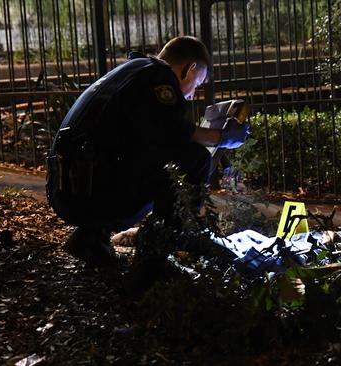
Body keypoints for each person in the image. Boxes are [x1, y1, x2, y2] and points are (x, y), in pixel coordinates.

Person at [46, 36, 250, 267]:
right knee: (195, 159)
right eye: (198, 83)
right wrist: (221, 137)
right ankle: (157, 254)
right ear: (190, 68)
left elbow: (151, 135)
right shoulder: (158, 76)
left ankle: (90, 238)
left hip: (69, 192)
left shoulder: (134, 70)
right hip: (89, 194)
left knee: (166, 155)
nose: (193, 94)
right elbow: (172, 131)